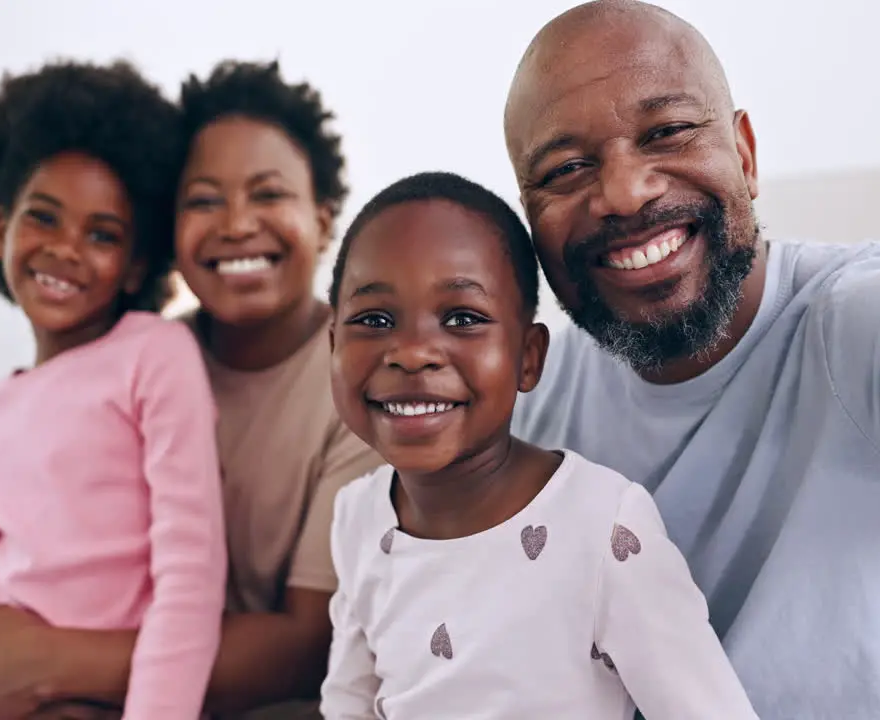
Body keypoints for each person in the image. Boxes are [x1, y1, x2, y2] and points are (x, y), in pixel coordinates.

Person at [502, 2, 880, 718]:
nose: (625, 192)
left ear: (745, 155)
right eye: (566, 168)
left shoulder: (879, 326)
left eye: (668, 132)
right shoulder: (530, 413)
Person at [0, 60, 383, 720]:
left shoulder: (360, 384)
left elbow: (309, 644)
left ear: (323, 218)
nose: (236, 224)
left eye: (268, 195)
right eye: (203, 200)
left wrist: (50, 661)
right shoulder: (140, 360)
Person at [0, 60, 227, 720]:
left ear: (137, 263)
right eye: (44, 219)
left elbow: (191, 573)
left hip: (98, 700)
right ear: (0, 229)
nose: (65, 249)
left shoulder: (156, 353)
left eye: (102, 234)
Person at [318, 171, 758, 718]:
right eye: (375, 320)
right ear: (333, 345)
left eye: (462, 318)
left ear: (528, 357)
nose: (412, 353)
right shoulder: (358, 517)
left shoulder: (602, 528)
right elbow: (348, 701)